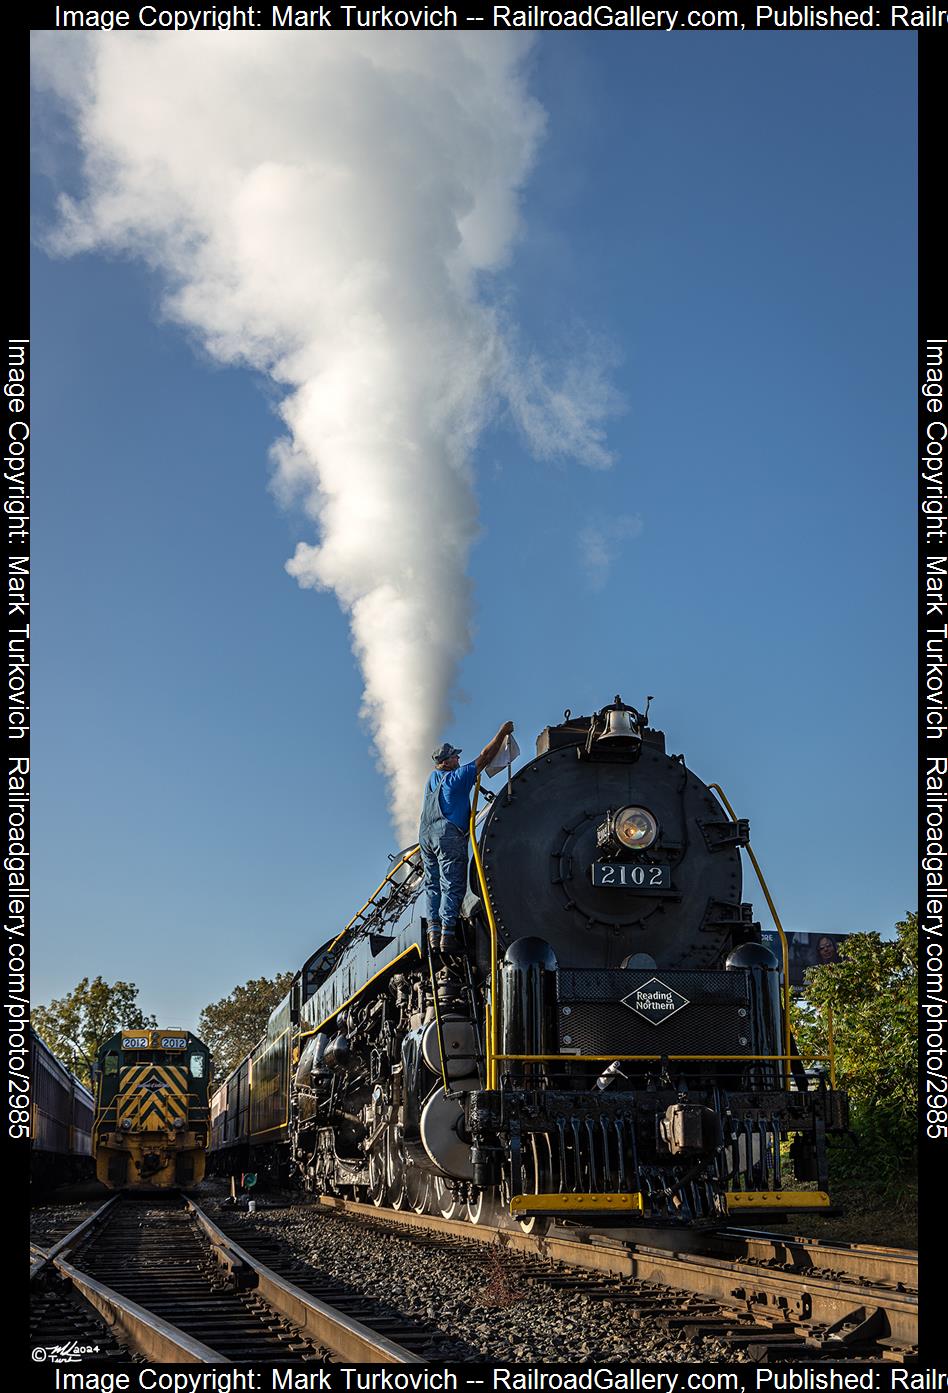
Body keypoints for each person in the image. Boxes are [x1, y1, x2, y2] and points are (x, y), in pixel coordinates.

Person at [419, 720, 514, 955]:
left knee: (432, 884)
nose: (459, 760)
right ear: (447, 761)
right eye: (455, 757)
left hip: (425, 837)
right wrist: (502, 732)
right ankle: (447, 934)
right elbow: (484, 757)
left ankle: (433, 932)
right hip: (447, 836)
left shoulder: (432, 780)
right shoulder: (456, 778)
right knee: (452, 884)